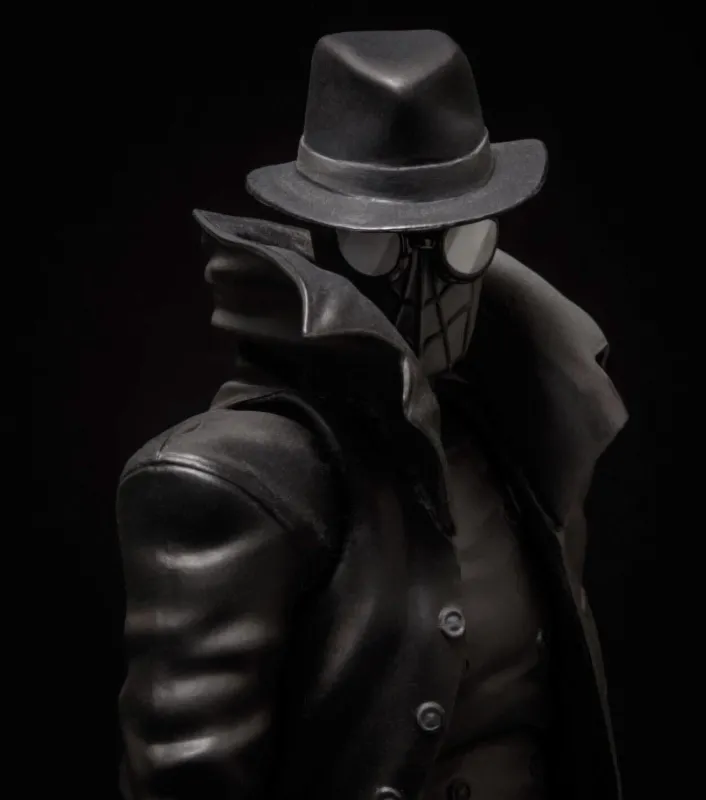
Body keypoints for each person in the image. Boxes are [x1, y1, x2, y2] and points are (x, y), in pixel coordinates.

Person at [116, 29, 628, 800]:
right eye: (379, 248)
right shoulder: (238, 478)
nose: (424, 284)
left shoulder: (525, 428)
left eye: (458, 241)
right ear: (325, 239)